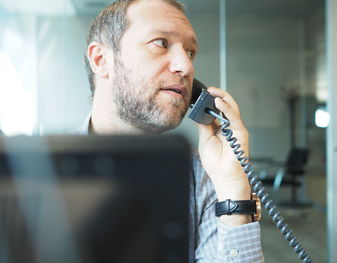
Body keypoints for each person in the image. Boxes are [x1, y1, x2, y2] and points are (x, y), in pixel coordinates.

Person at [78, 0, 264, 262]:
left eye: (190, 52)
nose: (186, 67)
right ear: (101, 59)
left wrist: (232, 187)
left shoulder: (205, 175)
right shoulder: (30, 168)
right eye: (161, 43)